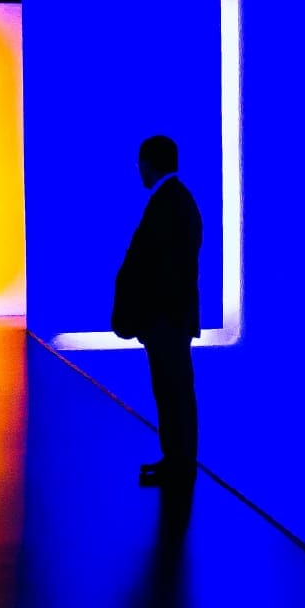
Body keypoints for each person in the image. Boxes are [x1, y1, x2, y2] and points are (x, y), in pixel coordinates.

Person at [112, 134, 201, 486]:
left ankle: (178, 464)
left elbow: (153, 266)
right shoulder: (176, 200)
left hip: (166, 318)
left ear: (149, 163)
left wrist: (144, 313)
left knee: (172, 391)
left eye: (140, 164)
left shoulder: (168, 203)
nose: (139, 171)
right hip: (170, 317)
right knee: (173, 390)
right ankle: (176, 460)